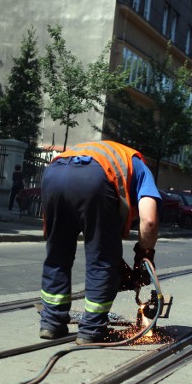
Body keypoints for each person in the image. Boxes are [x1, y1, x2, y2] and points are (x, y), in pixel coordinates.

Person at [39, 141, 161, 344]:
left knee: (57, 257)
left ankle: (51, 323)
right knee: (102, 262)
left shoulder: (103, 151)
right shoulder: (139, 165)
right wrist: (145, 254)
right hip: (94, 179)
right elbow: (149, 221)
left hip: (53, 174)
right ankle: (91, 330)